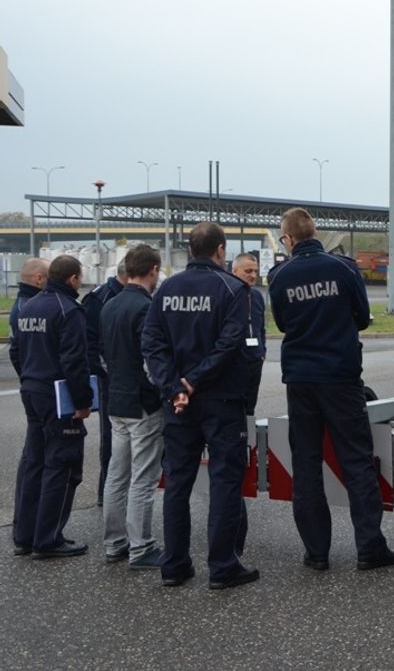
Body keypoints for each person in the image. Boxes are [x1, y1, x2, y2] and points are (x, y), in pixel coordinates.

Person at [268, 208, 394, 573]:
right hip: (341, 377)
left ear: (289, 240)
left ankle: (317, 553)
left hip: (300, 380)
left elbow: (281, 322)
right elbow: (361, 317)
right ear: (315, 234)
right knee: (356, 460)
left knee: (306, 464)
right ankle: (369, 549)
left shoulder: (279, 275)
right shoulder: (343, 268)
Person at [142, 222, 258, 589]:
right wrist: (193, 380)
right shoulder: (233, 288)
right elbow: (230, 343)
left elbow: (152, 343)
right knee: (225, 482)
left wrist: (174, 385)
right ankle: (223, 566)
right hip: (221, 400)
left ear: (191, 250)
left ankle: (174, 565)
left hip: (178, 403)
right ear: (221, 250)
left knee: (177, 483)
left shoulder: (166, 289)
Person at [9, 255, 92, 558]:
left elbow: (16, 351)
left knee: (35, 463)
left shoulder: (28, 307)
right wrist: (82, 403)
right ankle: (48, 539)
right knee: (63, 465)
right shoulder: (68, 310)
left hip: (32, 391)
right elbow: (75, 362)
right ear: (72, 278)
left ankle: (25, 535)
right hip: (58, 398)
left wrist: (30, 378)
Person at [100, 244, 165, 569]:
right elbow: (150, 360)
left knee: (117, 475)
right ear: (153, 270)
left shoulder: (109, 305)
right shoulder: (146, 307)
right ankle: (141, 547)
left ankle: (114, 543)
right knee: (143, 477)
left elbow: (104, 356)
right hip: (142, 403)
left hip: (116, 399)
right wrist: (165, 390)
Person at [8, 257, 48, 552]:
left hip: (31, 387)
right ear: (38, 279)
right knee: (37, 460)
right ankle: (30, 530)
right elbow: (18, 352)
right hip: (40, 389)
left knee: (32, 459)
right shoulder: (31, 306)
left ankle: (25, 527)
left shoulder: (22, 305)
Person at [83, 260, 126, 506]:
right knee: (112, 437)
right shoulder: (99, 298)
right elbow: (89, 342)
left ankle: (120, 493)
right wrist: (103, 372)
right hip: (110, 378)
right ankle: (106, 493)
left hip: (128, 376)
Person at [231, 252, 266, 418]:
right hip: (236, 362)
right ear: (235, 271)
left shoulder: (257, 296)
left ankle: (249, 440)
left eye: (255, 271)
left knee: (250, 408)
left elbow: (261, 328)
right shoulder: (228, 295)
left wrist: (262, 351)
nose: (253, 276)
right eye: (248, 271)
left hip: (255, 360)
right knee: (235, 409)